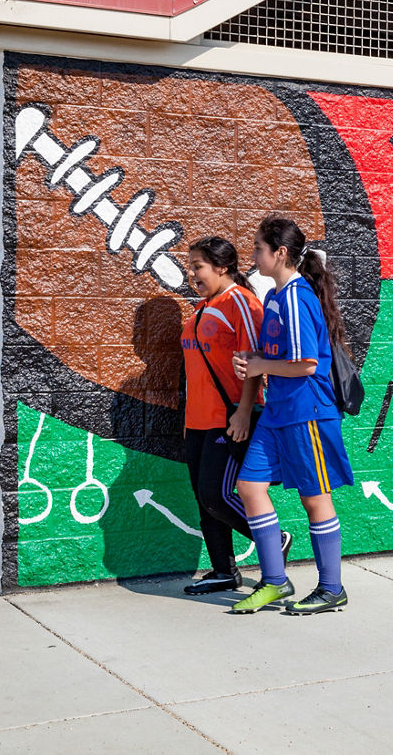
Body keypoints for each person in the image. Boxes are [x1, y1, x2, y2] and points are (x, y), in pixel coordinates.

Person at [230, 216, 355, 614]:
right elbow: (280, 359)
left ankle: (331, 588)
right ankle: (275, 581)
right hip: (279, 412)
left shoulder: (297, 299)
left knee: (314, 499)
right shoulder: (274, 299)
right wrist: (256, 361)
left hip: (307, 413)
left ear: (279, 253)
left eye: (258, 249)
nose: (253, 256)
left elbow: (305, 365)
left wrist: (259, 367)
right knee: (249, 488)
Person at [179, 236, 269, 594]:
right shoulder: (202, 308)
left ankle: (273, 539)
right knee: (204, 500)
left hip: (227, 417)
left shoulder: (241, 303)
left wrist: (244, 412)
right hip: (196, 421)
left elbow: (254, 362)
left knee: (216, 494)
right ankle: (223, 571)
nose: (191, 274)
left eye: (198, 266)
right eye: (191, 266)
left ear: (223, 267)